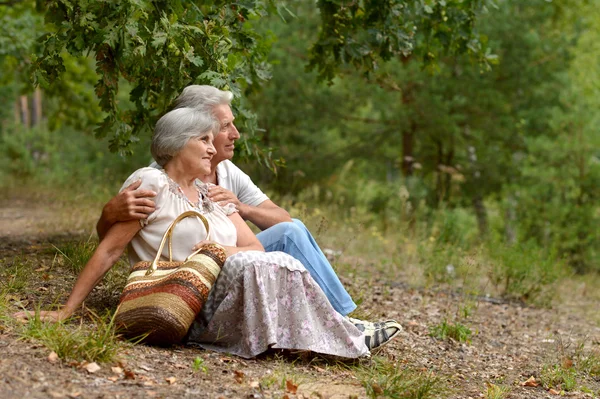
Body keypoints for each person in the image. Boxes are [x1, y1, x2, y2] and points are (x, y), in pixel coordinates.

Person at [14, 107, 401, 357]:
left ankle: (335, 335)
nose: (212, 150)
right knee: (256, 264)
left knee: (275, 256)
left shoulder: (209, 193)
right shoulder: (151, 184)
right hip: (182, 301)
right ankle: (344, 337)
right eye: (203, 140)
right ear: (176, 144)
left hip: (226, 292)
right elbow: (110, 250)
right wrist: (67, 310)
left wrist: (216, 251)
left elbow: (253, 246)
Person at [96, 85, 372, 324]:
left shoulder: (228, 171)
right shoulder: (159, 177)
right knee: (281, 239)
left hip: (227, 261)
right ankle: (334, 322)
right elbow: (115, 242)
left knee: (291, 231)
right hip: (185, 279)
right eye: (225, 126)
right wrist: (108, 214)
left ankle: (339, 318)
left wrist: (241, 207)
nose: (236, 134)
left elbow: (282, 218)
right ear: (193, 127)